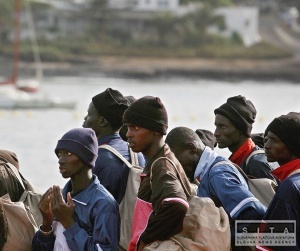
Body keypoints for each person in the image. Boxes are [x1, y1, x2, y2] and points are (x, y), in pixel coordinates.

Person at [165, 126, 266, 250]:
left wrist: (228, 244)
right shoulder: (210, 171)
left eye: (177, 160)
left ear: (191, 148)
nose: (177, 167)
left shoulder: (217, 174)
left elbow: (253, 212)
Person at [31, 128, 120, 251]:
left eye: (68, 153)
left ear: (86, 157)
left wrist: (68, 222)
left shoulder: (103, 204)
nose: (60, 160)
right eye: (59, 154)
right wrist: (46, 223)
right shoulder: (61, 198)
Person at [123, 96, 191, 251]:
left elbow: (177, 205)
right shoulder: (157, 161)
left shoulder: (162, 166)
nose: (128, 134)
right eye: (128, 127)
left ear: (155, 130)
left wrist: (146, 239)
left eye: (135, 128)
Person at [83, 88, 145, 204]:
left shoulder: (97, 158)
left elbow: (91, 206)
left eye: (89, 114)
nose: (85, 119)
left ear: (102, 121)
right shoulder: (136, 153)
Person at [257, 112, 300, 250]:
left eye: (274, 140)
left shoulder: (289, 186)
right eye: (267, 139)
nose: (267, 145)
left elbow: (280, 242)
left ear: (292, 145)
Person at [214, 95, 276, 181]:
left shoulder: (257, 163)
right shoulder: (236, 160)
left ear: (241, 129)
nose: (216, 133)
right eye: (216, 126)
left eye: (223, 127)